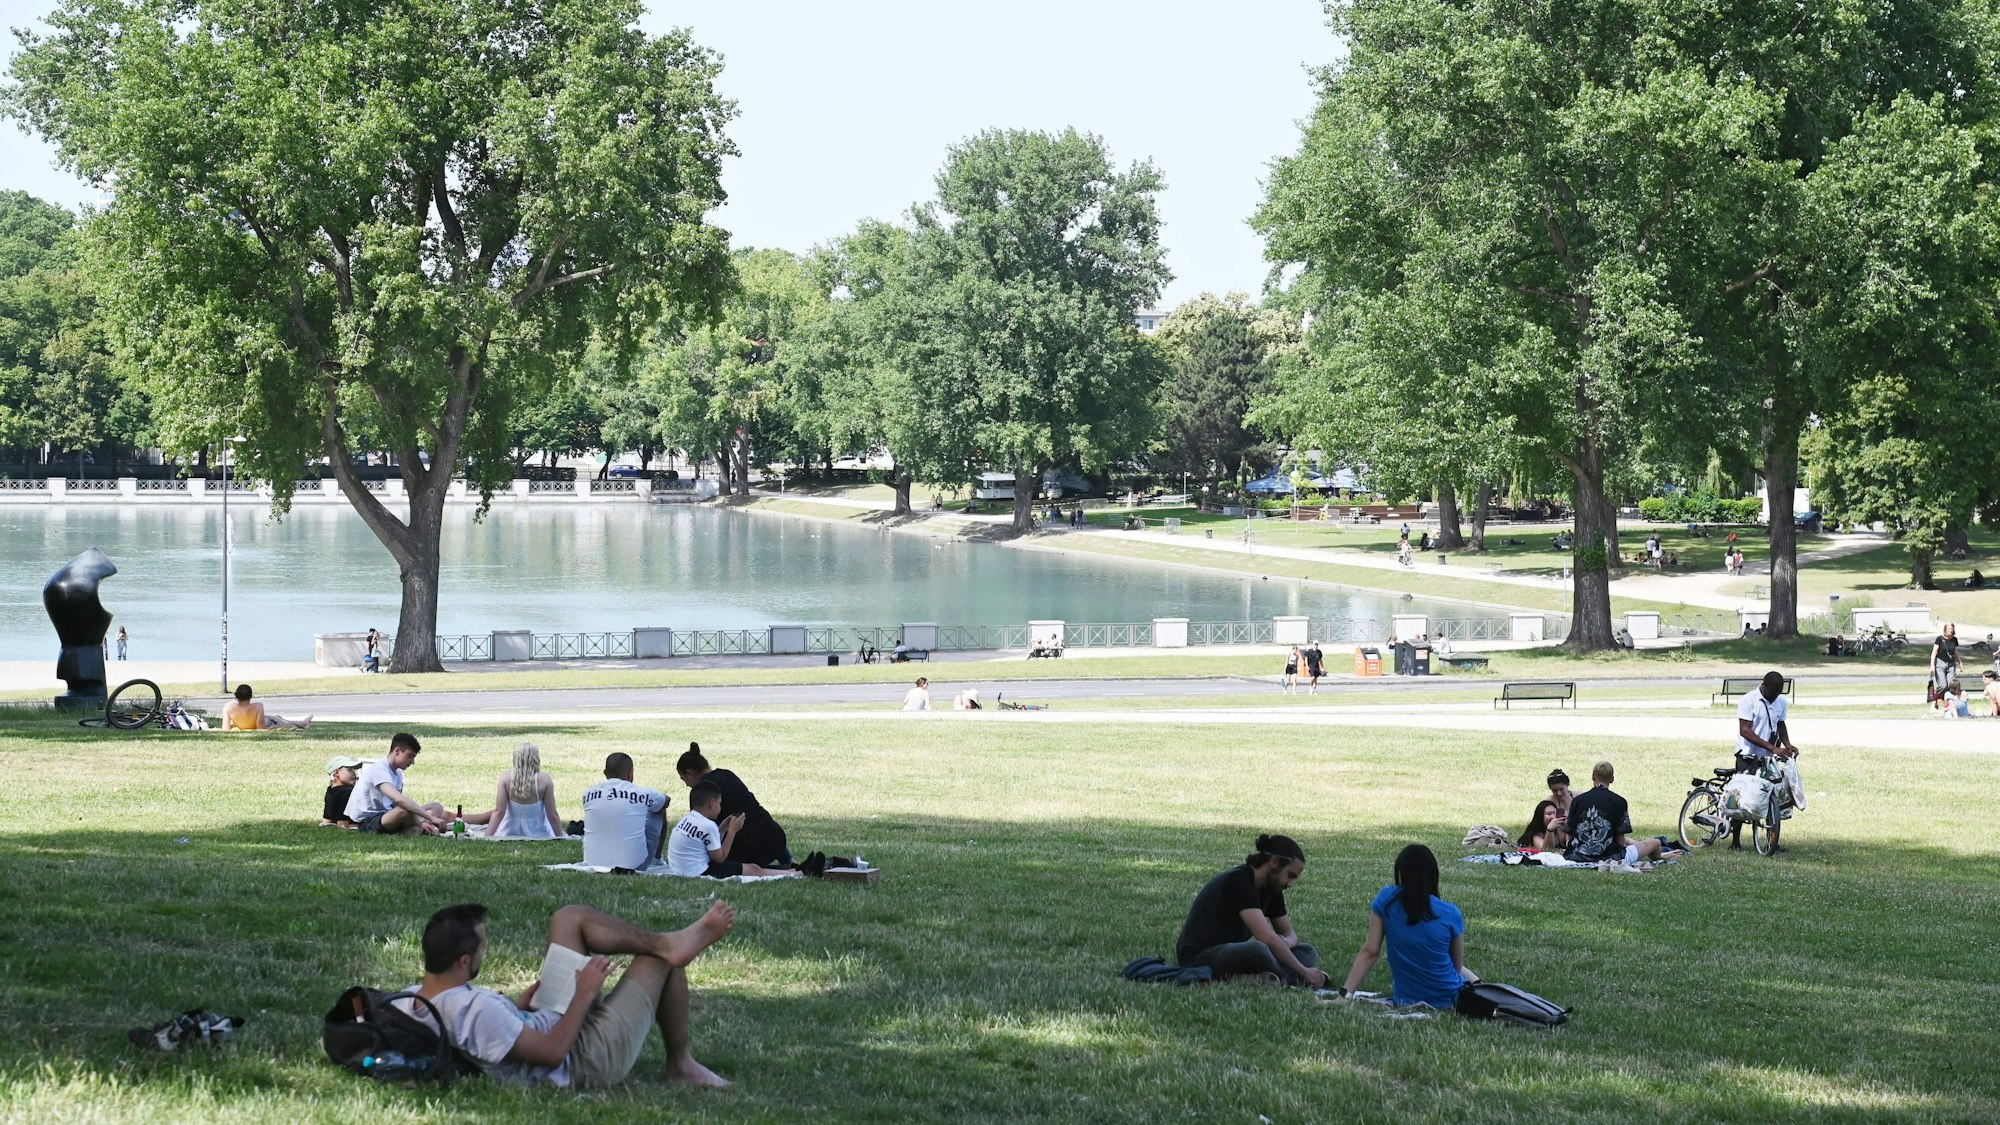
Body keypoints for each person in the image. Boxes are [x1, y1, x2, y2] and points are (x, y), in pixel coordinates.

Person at [395, 900, 737, 1089]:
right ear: (464, 960)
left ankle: (670, 943)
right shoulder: (473, 1009)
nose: (487, 950)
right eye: (484, 946)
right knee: (659, 961)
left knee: (569, 918)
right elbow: (554, 1054)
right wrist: (584, 993)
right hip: (583, 1055)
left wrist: (517, 1010)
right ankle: (681, 1065)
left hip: (548, 1020)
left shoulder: (415, 998)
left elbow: (482, 1037)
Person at [1335, 845, 1480, 1008]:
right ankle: (1481, 985)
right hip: (1449, 999)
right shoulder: (1450, 913)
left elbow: (1370, 952)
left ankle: (1480, 984)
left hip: (1406, 999)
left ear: (1401, 872)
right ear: (1433, 874)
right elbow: (1456, 966)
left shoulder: (1387, 901)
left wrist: (1344, 996)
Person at [1173, 834, 1325, 987]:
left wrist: (1285, 942)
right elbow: (1267, 938)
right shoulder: (1239, 882)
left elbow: (1289, 934)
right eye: (1290, 875)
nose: (1290, 884)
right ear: (1274, 862)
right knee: (1257, 949)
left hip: (1232, 954)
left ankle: (1254, 977)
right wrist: (1304, 971)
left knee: (1306, 951)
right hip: (1198, 957)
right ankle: (1293, 979)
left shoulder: (1272, 888)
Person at [676, 743, 790, 868]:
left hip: (751, 849)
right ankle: (789, 861)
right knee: (756, 820)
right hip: (776, 837)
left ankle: (783, 869)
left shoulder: (702, 790)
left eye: (683, 779)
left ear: (690, 773)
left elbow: (701, 829)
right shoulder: (727, 774)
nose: (686, 785)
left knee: (718, 865)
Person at [666, 781, 796, 879]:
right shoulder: (707, 825)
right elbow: (719, 859)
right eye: (719, 803)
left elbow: (709, 847)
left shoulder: (687, 819)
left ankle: (790, 871)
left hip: (682, 869)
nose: (720, 807)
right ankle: (795, 874)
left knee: (750, 868)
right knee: (753, 869)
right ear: (712, 803)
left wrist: (722, 830)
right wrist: (732, 831)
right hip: (700, 872)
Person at [1732, 670, 1800, 850]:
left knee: (1773, 797)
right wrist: (1773, 748)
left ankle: (1772, 841)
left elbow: (1780, 724)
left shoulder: (1780, 701)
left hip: (1768, 758)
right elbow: (1745, 730)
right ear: (1765, 686)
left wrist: (1787, 745)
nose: (1776, 695)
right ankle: (1735, 841)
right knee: (1742, 797)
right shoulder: (1748, 700)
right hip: (1747, 755)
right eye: (1774, 691)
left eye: (1779, 692)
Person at [1565, 761, 1673, 864]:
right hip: (1612, 857)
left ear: (1593, 776)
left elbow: (1569, 836)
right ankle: (1659, 857)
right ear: (1612, 779)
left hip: (1576, 855)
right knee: (1656, 842)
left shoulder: (1577, 800)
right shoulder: (1619, 801)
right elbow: (1621, 842)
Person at [344, 732, 451, 835]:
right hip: (369, 821)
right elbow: (399, 800)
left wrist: (421, 819)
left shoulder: (398, 773)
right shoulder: (379, 770)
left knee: (436, 807)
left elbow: (396, 804)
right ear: (397, 751)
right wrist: (430, 818)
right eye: (410, 756)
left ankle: (417, 827)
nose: (412, 762)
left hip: (387, 814)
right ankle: (421, 827)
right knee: (405, 809)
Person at [581, 753, 670, 870]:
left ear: (605, 773)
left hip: (592, 862)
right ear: (630, 772)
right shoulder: (642, 793)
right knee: (658, 811)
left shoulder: (588, 794)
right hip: (635, 866)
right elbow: (666, 801)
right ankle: (656, 859)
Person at [482, 742, 563, 839]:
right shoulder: (545, 780)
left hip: (509, 831)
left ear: (515, 759)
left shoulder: (505, 778)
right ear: (536, 759)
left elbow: (499, 811)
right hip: (538, 832)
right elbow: (552, 815)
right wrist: (560, 837)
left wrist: (487, 836)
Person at [221, 684, 312, 731]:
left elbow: (225, 729)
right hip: (269, 722)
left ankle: (302, 723)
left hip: (263, 721)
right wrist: (273, 728)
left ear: (236, 695)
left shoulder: (228, 707)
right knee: (279, 720)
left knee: (277, 717)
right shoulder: (257, 706)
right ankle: (303, 724)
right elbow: (261, 728)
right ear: (250, 696)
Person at [322, 755, 363, 827]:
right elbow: (343, 825)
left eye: (354, 770)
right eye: (349, 770)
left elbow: (327, 821)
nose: (354, 773)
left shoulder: (331, 791)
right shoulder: (347, 792)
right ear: (336, 773)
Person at [1931, 623, 1961, 712]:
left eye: (1952, 628)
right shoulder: (1939, 639)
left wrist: (1960, 662)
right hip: (1940, 663)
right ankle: (1934, 699)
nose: (1950, 630)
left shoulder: (1954, 639)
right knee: (1943, 686)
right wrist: (1932, 665)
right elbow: (1934, 652)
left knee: (1950, 686)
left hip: (1951, 664)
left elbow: (1956, 651)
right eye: (1949, 628)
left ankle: (1947, 704)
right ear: (1945, 629)